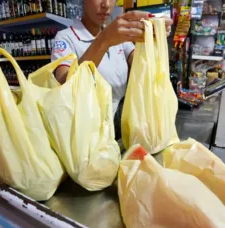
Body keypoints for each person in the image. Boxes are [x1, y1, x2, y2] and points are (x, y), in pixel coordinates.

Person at [51, 0, 172, 138]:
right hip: (89, 134)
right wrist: (104, 40)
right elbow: (64, 86)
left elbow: (140, 64)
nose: (106, 5)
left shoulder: (119, 36)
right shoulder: (66, 38)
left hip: (123, 125)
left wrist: (152, 36)